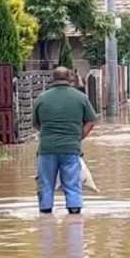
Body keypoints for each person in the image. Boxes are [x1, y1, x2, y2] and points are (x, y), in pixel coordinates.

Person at [33, 66, 97, 214]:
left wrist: (48, 135)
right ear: (70, 78)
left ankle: (46, 215)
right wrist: (78, 137)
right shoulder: (80, 98)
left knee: (46, 185)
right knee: (72, 185)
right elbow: (91, 121)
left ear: (52, 79)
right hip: (71, 149)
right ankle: (74, 216)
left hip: (47, 149)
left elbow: (35, 124)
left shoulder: (42, 98)